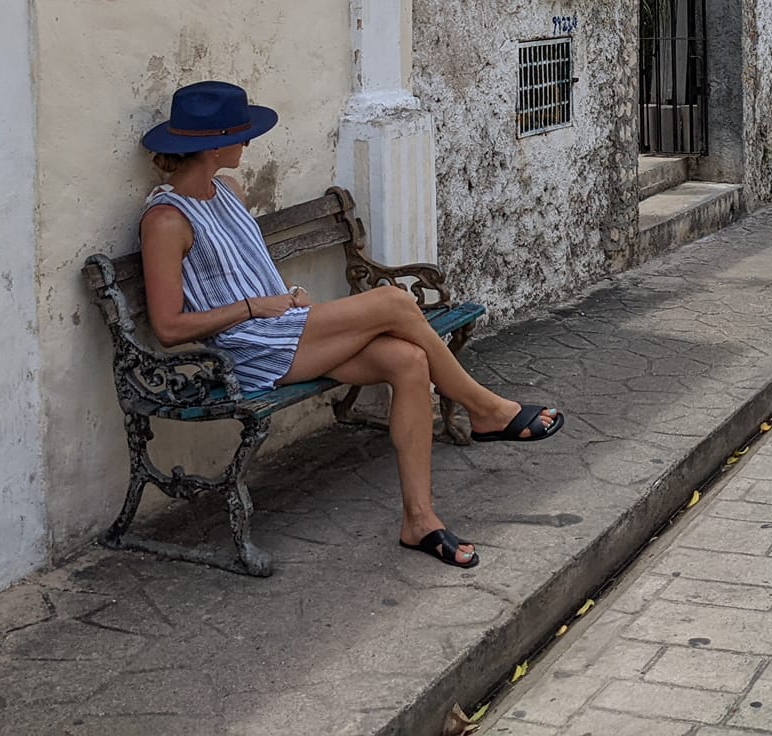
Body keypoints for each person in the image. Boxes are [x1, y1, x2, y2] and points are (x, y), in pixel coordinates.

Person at [138, 81, 563, 569]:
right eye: (241, 133)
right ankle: (486, 409)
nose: (249, 143)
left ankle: (419, 520)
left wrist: (284, 294)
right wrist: (255, 309)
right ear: (212, 145)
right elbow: (169, 327)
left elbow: (240, 268)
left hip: (283, 328)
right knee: (392, 302)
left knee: (408, 360)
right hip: (245, 353)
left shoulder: (227, 190)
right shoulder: (165, 220)